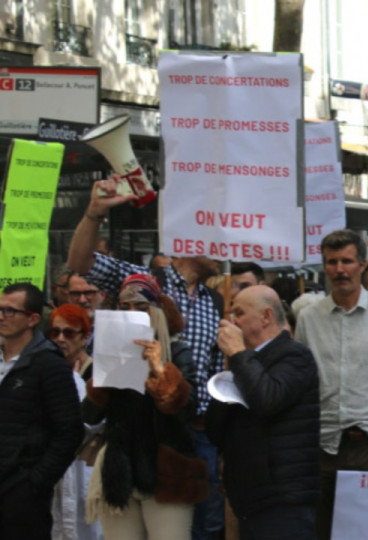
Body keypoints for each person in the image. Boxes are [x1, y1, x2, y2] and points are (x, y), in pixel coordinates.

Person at [68, 176, 225, 540]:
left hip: (191, 434)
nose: (223, 250)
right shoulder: (142, 279)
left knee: (204, 529)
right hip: (132, 434)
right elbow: (80, 262)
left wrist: (218, 436)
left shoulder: (214, 299)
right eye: (215, 241)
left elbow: (214, 374)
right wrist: (94, 212)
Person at [294, 229, 368, 539]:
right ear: (323, 266)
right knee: (323, 532)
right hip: (323, 447)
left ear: (362, 264)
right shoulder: (308, 318)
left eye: (347, 261)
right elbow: (301, 386)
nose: (339, 269)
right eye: (332, 262)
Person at [83, 274, 208, 540]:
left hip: (167, 472)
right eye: (125, 308)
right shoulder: (108, 352)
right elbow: (89, 413)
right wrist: (105, 373)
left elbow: (187, 410)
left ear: (157, 313)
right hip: (120, 470)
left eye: (141, 308)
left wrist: (159, 369)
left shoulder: (177, 351)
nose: (132, 315)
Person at [207, 285, 320, 539]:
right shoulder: (244, 361)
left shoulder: (294, 355)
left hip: (283, 500)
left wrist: (238, 353)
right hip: (249, 497)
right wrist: (228, 372)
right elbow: (215, 430)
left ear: (266, 316)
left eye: (239, 313)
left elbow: (267, 400)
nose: (231, 322)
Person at [0, 283, 84, 539]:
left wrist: (35, 482)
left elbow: (69, 431)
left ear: (32, 319)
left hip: (21, 494)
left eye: (9, 311)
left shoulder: (49, 364)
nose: (1, 317)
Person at [48, 304, 102, 540]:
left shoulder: (97, 373)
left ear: (85, 337)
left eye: (68, 333)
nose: (61, 339)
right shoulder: (46, 369)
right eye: (55, 332)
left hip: (85, 466)